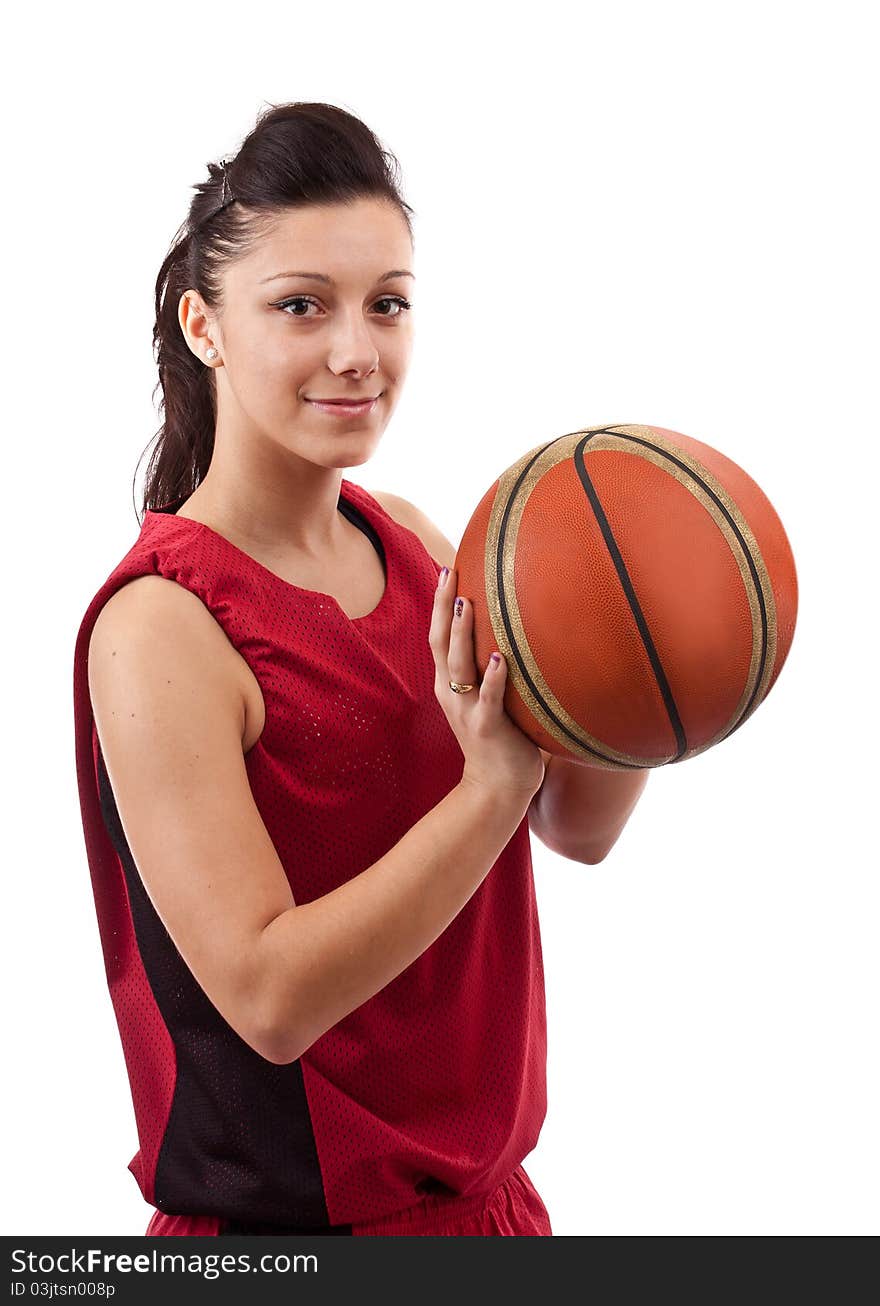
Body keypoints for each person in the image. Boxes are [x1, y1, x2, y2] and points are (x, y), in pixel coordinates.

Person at [72, 101, 555, 1237]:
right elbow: (270, 998)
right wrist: (492, 792)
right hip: (292, 1244)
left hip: (491, 1216)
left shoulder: (427, 546)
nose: (358, 351)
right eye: (300, 307)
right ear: (205, 326)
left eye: (388, 303)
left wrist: (631, 649)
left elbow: (579, 821)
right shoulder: (161, 627)